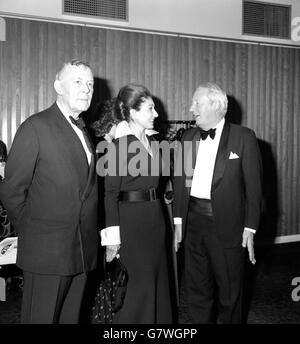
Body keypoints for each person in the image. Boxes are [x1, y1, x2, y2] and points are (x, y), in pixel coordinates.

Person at [0, 60, 99, 324]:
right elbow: (11, 190)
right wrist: (34, 231)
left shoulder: (83, 130)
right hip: (47, 252)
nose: (86, 89)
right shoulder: (36, 126)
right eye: (77, 82)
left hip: (81, 252)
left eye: (90, 84)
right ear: (58, 86)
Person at [173, 82, 263, 324]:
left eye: (197, 103)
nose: (191, 108)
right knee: (196, 290)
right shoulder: (188, 137)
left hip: (228, 226)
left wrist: (250, 228)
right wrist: (178, 220)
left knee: (230, 294)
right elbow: (180, 181)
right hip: (192, 223)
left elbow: (255, 189)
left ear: (215, 105)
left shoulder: (244, 137)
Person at [99, 84, 173, 324]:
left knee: (157, 282)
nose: (157, 114)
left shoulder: (154, 144)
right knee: (135, 288)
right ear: (132, 112)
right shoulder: (119, 147)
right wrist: (112, 239)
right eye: (150, 109)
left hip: (156, 221)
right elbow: (109, 195)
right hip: (131, 226)